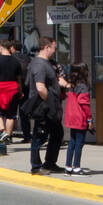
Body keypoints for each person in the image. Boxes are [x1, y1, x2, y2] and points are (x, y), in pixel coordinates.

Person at [26, 36, 68, 174]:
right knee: (40, 136)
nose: (55, 51)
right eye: (54, 48)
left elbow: (55, 81)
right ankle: (36, 167)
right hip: (43, 107)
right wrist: (50, 104)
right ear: (47, 47)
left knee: (57, 133)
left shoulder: (49, 63)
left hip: (52, 106)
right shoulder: (39, 64)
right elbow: (40, 87)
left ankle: (50, 163)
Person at [63, 62, 93, 175]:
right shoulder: (83, 86)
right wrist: (89, 119)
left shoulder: (72, 86)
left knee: (72, 143)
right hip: (80, 118)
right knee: (79, 144)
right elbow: (85, 104)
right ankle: (76, 167)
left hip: (71, 118)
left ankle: (68, 167)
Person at [0, 38, 23, 143]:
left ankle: (3, 131)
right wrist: (20, 90)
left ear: (1, 47)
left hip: (0, 88)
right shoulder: (16, 61)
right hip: (13, 88)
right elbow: (19, 79)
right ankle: (8, 137)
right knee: (11, 115)